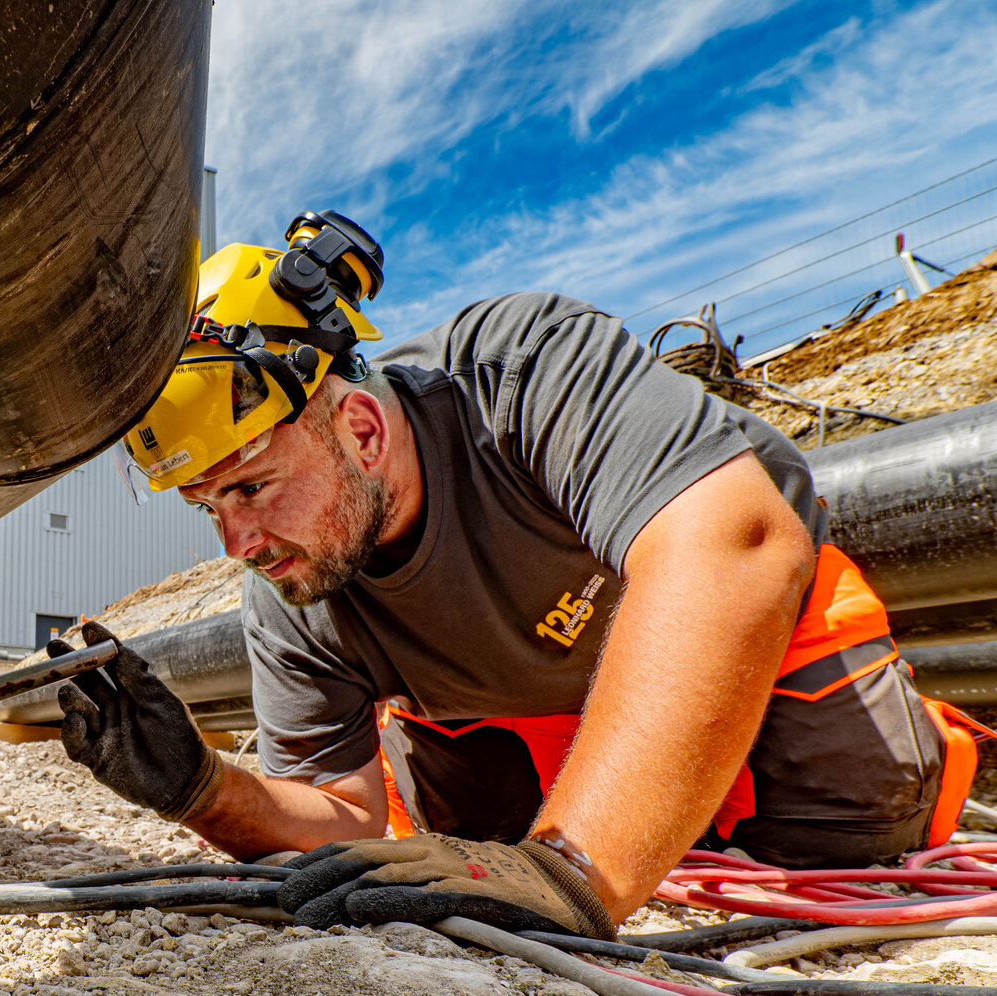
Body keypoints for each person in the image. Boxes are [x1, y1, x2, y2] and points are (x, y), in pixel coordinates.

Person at [48, 210, 963, 939]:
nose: (237, 542)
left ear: (362, 431)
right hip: (529, 720)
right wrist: (203, 789)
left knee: (853, 828)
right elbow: (345, 822)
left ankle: (623, 826)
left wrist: (573, 869)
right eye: (208, 506)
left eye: (251, 486)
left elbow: (738, 544)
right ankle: (613, 820)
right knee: (450, 846)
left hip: (757, 650)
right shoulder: (290, 582)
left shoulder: (519, 371)